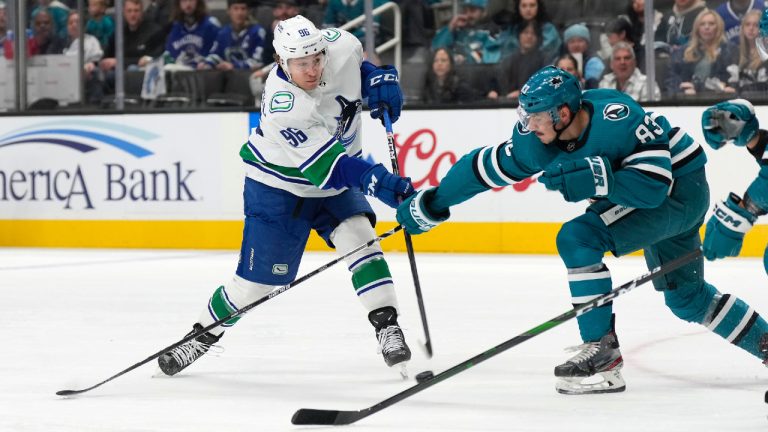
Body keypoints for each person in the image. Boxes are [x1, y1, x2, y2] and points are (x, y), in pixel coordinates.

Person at [395, 65, 768, 394]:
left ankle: (601, 352)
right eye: (525, 115)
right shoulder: (537, 141)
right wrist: (434, 203)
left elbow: (655, 186)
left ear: (562, 113)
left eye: (536, 117)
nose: (528, 125)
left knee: (578, 238)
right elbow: (482, 168)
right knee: (688, 299)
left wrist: (601, 180)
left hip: (678, 191)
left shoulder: (619, 118)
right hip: (653, 199)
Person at [157, 15, 415, 377]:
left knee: (361, 239)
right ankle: (201, 335)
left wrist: (376, 77)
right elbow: (332, 168)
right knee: (256, 286)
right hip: (279, 188)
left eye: (316, 59)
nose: (311, 70)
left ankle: (387, 325)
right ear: (281, 61)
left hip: (334, 183)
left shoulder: (342, 45)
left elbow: (357, 68)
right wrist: (380, 182)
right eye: (300, 63)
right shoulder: (284, 105)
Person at [666, 9, 737, 96]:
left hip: (718, 97)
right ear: (697, 28)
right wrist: (681, 90)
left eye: (711, 24)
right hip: (688, 98)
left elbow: (729, 80)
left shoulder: (729, 50)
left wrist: (697, 87)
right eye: (702, 24)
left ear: (718, 27)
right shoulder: (683, 51)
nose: (706, 27)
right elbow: (672, 78)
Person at [487, 20, 546, 101]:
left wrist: (522, 92)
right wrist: (493, 91)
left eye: (533, 34)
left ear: (538, 38)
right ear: (519, 35)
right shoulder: (509, 60)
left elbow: (543, 84)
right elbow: (496, 80)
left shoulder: (543, 60)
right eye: (525, 32)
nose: (529, 36)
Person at [200, 0, 266, 71]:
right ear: (228, 11)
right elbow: (216, 54)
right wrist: (207, 63)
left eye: (243, 9)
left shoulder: (257, 32)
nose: (239, 13)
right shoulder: (223, 33)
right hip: (228, 76)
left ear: (248, 11)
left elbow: (258, 62)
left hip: (249, 76)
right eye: (235, 8)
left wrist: (234, 66)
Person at [431, 0, 500, 65]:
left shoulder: (491, 33)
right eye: (465, 10)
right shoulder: (456, 29)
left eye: (472, 10)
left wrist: (462, 59)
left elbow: (490, 64)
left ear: (484, 12)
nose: (468, 15)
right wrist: (450, 27)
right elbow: (436, 50)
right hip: (450, 72)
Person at [162, 0, 220, 68]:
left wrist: (208, 63)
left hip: (203, 72)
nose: (188, 4)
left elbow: (219, 52)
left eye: (191, 0)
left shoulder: (211, 25)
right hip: (179, 72)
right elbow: (168, 54)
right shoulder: (174, 27)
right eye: (184, 0)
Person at [733, 9, 768, 92]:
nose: (751, 28)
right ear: (742, 28)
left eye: (756, 25)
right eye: (747, 24)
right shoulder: (734, 53)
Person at [562, 23, 604, 89]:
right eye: (572, 41)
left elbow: (593, 85)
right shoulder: (561, 60)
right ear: (567, 45)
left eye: (580, 41)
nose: (576, 45)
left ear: (587, 43)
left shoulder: (594, 61)